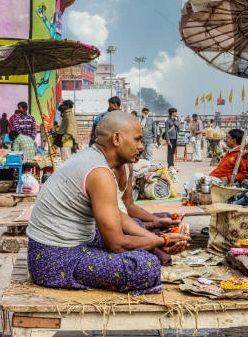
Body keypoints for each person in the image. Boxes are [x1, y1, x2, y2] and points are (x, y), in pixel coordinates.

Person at [26, 111, 190, 294]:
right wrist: (161, 240)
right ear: (117, 139)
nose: (141, 147)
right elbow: (117, 244)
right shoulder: (99, 173)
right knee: (145, 265)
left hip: (56, 250)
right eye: (137, 140)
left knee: (137, 233)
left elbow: (118, 214)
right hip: (54, 260)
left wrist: (156, 240)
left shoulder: (94, 159)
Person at [184, 129, 248, 191]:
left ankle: (188, 190)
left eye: (228, 137)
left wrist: (228, 178)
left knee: (196, 176)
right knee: (194, 179)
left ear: (233, 141)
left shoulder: (241, 154)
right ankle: (189, 189)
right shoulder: (229, 151)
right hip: (214, 177)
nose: (226, 140)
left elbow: (246, 174)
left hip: (221, 181)